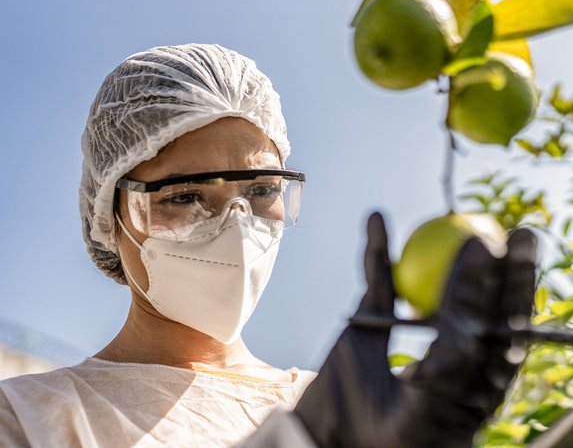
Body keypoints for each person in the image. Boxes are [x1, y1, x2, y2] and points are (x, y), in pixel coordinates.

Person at [0, 43, 538, 447]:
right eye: (185, 195)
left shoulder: (354, 407)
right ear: (109, 218)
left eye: (260, 190)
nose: (235, 225)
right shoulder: (29, 417)